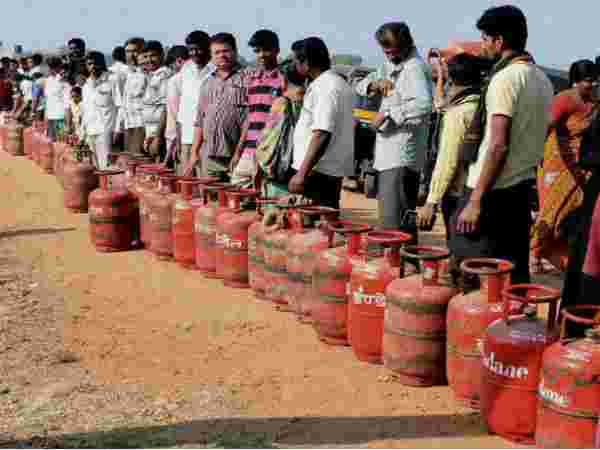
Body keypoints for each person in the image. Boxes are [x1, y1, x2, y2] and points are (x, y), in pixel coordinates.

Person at [451, 5, 554, 284]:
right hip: (519, 192)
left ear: (499, 41)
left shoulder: (505, 78)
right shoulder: (542, 79)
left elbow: (498, 145)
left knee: (471, 277)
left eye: (485, 38)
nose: (482, 45)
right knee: (514, 278)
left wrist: (475, 201)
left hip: (490, 192)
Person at [356, 22, 433, 234]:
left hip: (401, 155)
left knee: (394, 227)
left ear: (405, 44)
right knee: (395, 221)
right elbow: (361, 84)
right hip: (390, 154)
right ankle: (403, 265)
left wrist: (388, 114)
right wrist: (376, 84)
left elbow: (424, 105)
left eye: (392, 50)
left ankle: (402, 265)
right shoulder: (390, 64)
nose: (388, 54)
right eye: (385, 50)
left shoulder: (414, 68)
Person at [531, 60, 598, 274]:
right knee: (550, 213)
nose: (593, 83)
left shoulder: (594, 102)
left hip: (581, 167)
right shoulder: (565, 99)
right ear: (576, 81)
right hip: (557, 166)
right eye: (588, 80)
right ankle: (535, 254)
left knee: (570, 214)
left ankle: (559, 256)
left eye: (594, 79)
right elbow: (545, 127)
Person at [287, 37, 355, 209]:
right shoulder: (336, 83)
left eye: (296, 61)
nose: (294, 65)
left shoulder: (326, 87)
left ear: (307, 62)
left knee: (312, 228)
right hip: (325, 171)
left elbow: (322, 133)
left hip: (317, 173)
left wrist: (302, 174)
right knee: (323, 224)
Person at [186, 33, 251, 180]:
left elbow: (251, 121)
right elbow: (200, 120)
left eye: (226, 51)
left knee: (236, 200)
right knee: (210, 199)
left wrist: (238, 153)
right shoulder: (207, 83)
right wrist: (194, 152)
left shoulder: (248, 79)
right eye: (217, 52)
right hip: (210, 155)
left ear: (235, 52)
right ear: (211, 55)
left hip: (238, 156)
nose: (222, 55)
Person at [230, 29, 285, 188]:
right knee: (235, 190)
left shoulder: (283, 80)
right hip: (248, 152)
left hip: (270, 155)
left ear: (277, 50)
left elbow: (281, 124)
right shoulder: (252, 80)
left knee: (265, 201)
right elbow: (250, 118)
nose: (261, 55)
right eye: (257, 51)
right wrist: (238, 151)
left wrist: (265, 157)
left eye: (266, 50)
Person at [256, 59, 307, 198]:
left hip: (281, 176)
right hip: (304, 173)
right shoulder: (311, 101)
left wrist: (259, 166)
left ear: (284, 79)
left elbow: (268, 143)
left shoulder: (281, 103)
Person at [177, 30, 214, 175]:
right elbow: (183, 104)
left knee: (204, 184)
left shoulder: (215, 70)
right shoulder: (186, 69)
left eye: (199, 48)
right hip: (186, 135)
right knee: (185, 184)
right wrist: (178, 135)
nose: (195, 53)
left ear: (208, 48)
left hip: (206, 139)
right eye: (191, 49)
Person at [81, 51, 120, 169]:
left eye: (95, 63)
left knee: (106, 167)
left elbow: (119, 107)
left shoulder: (112, 80)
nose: (93, 67)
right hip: (90, 131)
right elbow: (85, 111)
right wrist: (82, 134)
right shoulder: (85, 86)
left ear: (102, 64)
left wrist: (117, 130)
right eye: (89, 64)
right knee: (93, 168)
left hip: (106, 132)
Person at [141, 40, 172, 162]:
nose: (149, 60)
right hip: (151, 131)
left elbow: (166, 108)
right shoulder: (152, 75)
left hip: (160, 133)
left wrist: (158, 137)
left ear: (162, 55)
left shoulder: (164, 75)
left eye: (153, 56)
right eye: (146, 57)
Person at [118, 37, 146, 156]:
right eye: (128, 52)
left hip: (141, 125)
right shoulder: (128, 74)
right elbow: (124, 102)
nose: (131, 55)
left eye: (135, 51)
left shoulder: (146, 73)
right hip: (128, 124)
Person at [163, 45, 188, 172]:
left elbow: (175, 114)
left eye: (172, 66)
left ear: (179, 61)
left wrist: (174, 142)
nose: (173, 70)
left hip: (177, 137)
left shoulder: (175, 80)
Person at [43, 57, 69, 142]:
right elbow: (47, 101)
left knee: (61, 143)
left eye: (53, 66)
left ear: (59, 67)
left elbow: (67, 103)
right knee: (51, 144)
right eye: (50, 66)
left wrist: (67, 123)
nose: (51, 69)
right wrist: (45, 116)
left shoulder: (64, 81)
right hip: (50, 117)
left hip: (60, 118)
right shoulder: (47, 81)